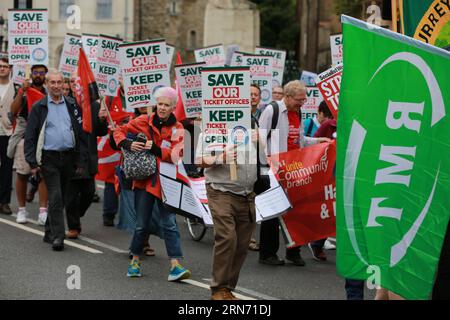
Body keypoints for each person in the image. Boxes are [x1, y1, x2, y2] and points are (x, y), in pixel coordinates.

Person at [114, 87, 191, 280]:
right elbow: (118, 131)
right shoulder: (142, 121)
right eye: (160, 104)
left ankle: (175, 265)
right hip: (145, 182)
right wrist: (127, 144)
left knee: (170, 224)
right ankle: (135, 261)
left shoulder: (178, 128)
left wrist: (155, 149)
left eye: (167, 105)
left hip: (167, 184)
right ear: (156, 104)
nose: (163, 108)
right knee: (141, 225)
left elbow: (176, 155)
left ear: (173, 107)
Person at [258, 80, 330, 267]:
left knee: (296, 210)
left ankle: (294, 251)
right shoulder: (272, 111)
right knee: (273, 213)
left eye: (304, 100)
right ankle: (267, 253)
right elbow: (259, 139)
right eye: (299, 100)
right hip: (273, 170)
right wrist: (267, 164)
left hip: (294, 170)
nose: (302, 103)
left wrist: (319, 141)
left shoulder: (296, 113)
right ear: (287, 97)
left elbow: (300, 141)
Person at [196, 105, 258, 301]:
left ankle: (227, 288)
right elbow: (198, 160)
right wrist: (220, 158)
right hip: (221, 190)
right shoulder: (211, 130)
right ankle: (219, 288)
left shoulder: (252, 126)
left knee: (242, 243)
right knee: (227, 237)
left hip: (247, 194)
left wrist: (261, 142)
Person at [24, 69, 87, 251]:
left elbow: (80, 134)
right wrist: (32, 162)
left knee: (61, 197)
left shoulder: (72, 105)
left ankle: (48, 231)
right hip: (48, 158)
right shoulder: (39, 107)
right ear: (46, 84)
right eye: (53, 82)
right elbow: (30, 136)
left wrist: (81, 160)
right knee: (56, 195)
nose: (57, 86)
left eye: (59, 82)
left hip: (68, 157)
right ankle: (58, 237)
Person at [65, 72, 109, 239]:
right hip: (70, 157)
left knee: (89, 193)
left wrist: (103, 119)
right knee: (70, 196)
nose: (76, 86)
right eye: (73, 83)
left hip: (87, 157)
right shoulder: (65, 104)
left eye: (79, 83)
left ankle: (76, 214)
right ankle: (73, 226)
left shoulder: (94, 106)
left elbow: (101, 131)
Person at [9, 65, 49, 225]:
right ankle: (21, 209)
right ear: (31, 74)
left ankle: (42, 211)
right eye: (35, 72)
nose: (38, 75)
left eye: (41, 72)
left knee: (43, 175)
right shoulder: (23, 90)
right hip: (26, 138)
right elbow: (13, 111)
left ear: (45, 75)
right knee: (22, 174)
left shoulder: (48, 93)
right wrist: (21, 92)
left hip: (44, 138)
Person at [0, 57, 14, 215]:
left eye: (5, 66)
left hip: (8, 130)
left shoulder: (16, 87)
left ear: (10, 69)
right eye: (0, 66)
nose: (2, 68)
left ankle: (4, 201)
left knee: (6, 166)